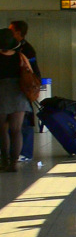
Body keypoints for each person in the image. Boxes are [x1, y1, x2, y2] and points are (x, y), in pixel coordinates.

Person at [0, 26, 35, 171]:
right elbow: (30, 73)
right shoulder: (20, 56)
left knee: (2, 130)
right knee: (16, 130)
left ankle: (4, 161)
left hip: (1, 93)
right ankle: (14, 163)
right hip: (18, 95)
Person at [9, 20, 42, 159]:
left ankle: (25, 152)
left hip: (25, 87)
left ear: (18, 32)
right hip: (17, 88)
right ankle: (14, 151)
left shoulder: (26, 49)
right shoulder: (13, 47)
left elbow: (32, 70)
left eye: (11, 30)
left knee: (25, 120)